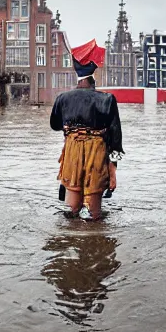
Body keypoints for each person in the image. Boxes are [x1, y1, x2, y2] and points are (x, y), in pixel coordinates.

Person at [50, 39, 124, 220]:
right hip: (96, 151)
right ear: (93, 74)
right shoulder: (107, 99)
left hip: (72, 152)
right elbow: (115, 136)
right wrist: (113, 168)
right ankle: (94, 240)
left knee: (71, 208)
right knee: (93, 211)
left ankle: (70, 238)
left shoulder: (63, 98)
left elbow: (55, 125)